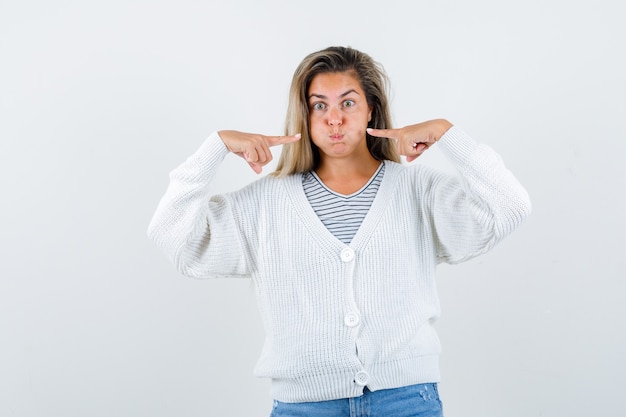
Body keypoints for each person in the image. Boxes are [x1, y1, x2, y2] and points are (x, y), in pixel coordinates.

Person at [147, 46, 531, 417]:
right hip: (305, 406)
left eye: (347, 103)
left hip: (407, 402)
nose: (334, 119)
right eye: (320, 105)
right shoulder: (264, 205)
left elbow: (509, 206)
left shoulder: (418, 192)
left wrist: (448, 135)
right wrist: (213, 149)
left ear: (371, 110)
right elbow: (175, 239)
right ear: (305, 115)